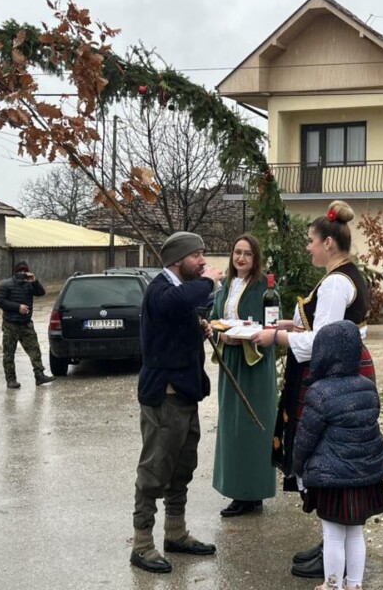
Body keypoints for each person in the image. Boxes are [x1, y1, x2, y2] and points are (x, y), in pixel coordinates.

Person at [251, 199, 374, 580]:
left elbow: (322, 344)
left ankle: (332, 548)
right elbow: (325, 329)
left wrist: (275, 338)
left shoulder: (336, 282)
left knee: (325, 458)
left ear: (328, 243)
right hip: (343, 375)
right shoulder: (344, 275)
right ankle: (330, 544)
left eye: (312, 240)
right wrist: (292, 325)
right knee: (332, 458)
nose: (308, 247)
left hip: (331, 378)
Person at [130, 231, 225, 575]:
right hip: (164, 398)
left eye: (202, 255)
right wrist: (209, 281)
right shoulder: (159, 290)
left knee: (182, 468)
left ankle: (175, 533)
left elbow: (174, 321)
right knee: (154, 471)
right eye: (196, 255)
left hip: (185, 395)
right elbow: (176, 302)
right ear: (177, 259)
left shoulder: (177, 291)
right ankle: (142, 544)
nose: (202, 261)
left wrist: (197, 330)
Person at [293, 320, 383, 590]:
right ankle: (355, 584)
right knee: (356, 532)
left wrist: (299, 467)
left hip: (332, 477)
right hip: (364, 475)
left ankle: (332, 585)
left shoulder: (319, 392)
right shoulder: (367, 387)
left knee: (333, 535)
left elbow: (305, 438)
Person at [209, 234, 278, 517]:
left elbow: (272, 326)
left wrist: (246, 337)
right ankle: (239, 490)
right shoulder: (226, 286)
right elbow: (215, 319)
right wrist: (222, 335)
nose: (241, 258)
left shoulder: (264, 288)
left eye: (247, 254)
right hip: (231, 362)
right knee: (232, 427)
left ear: (255, 258)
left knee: (253, 427)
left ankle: (252, 493)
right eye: (237, 252)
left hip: (255, 364)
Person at [0, 261, 54, 389]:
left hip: (26, 324)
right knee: (9, 353)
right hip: (10, 324)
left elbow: (41, 293)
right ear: (15, 272)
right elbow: (0, 302)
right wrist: (18, 307)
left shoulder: (29, 285)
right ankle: (11, 379)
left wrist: (35, 281)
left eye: (25, 271)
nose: (23, 273)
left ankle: (39, 375)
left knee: (35, 350)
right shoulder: (6, 285)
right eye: (20, 271)